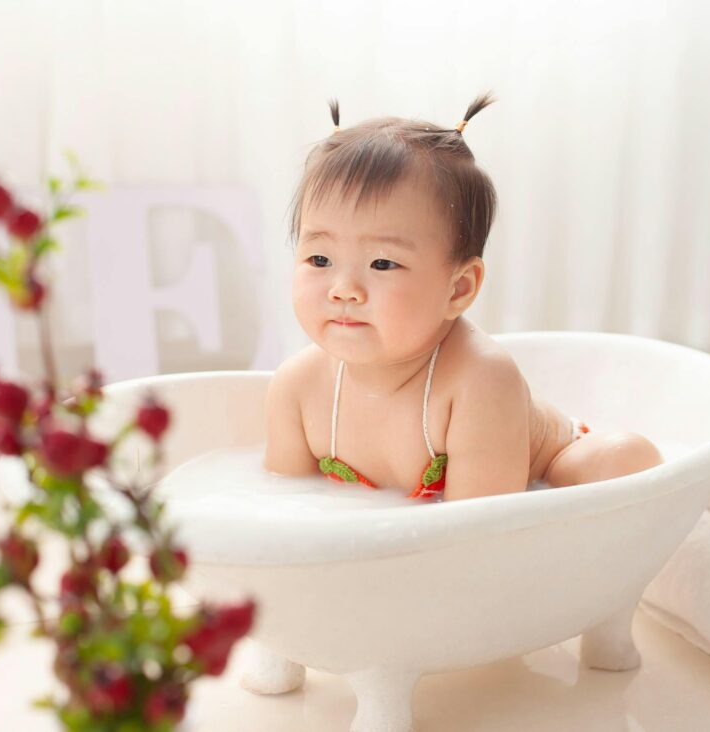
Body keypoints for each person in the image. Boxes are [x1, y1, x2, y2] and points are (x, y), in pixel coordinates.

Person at [263, 93, 662, 502]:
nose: (342, 288)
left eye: (382, 264)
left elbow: (476, 530)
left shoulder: (479, 380)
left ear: (459, 288)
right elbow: (288, 504)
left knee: (622, 458)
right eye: (319, 258)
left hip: (538, 477)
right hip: (414, 523)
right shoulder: (296, 387)